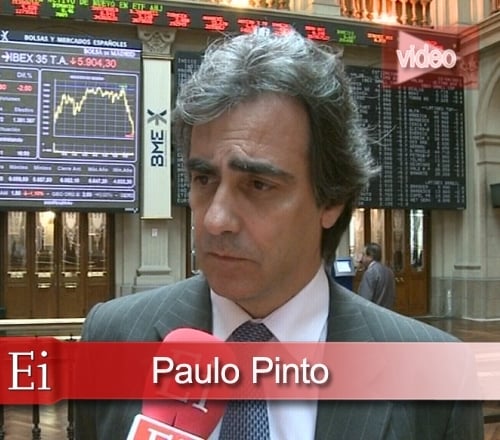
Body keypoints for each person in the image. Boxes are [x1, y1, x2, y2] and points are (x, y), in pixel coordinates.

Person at [75, 29, 483, 439]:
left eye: (258, 185)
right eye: (204, 179)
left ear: (331, 199)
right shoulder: (112, 338)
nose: (215, 220)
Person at [358, 242, 396, 309]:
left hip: (373, 312)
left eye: (363, 255)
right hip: (387, 311)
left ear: (370, 257)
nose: (361, 258)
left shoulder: (370, 272)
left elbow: (364, 299)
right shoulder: (389, 271)